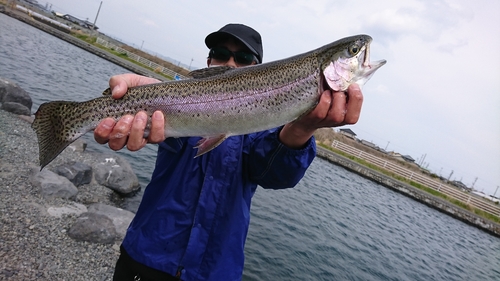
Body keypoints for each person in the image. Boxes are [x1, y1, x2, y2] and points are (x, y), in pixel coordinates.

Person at [94, 24, 363, 281]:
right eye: (221, 54)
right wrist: (138, 98)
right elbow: (167, 127)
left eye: (243, 57)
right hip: (146, 258)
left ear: (259, 69)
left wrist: (302, 129)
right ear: (209, 62)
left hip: (214, 273)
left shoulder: (266, 129)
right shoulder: (174, 102)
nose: (231, 63)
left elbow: (275, 176)